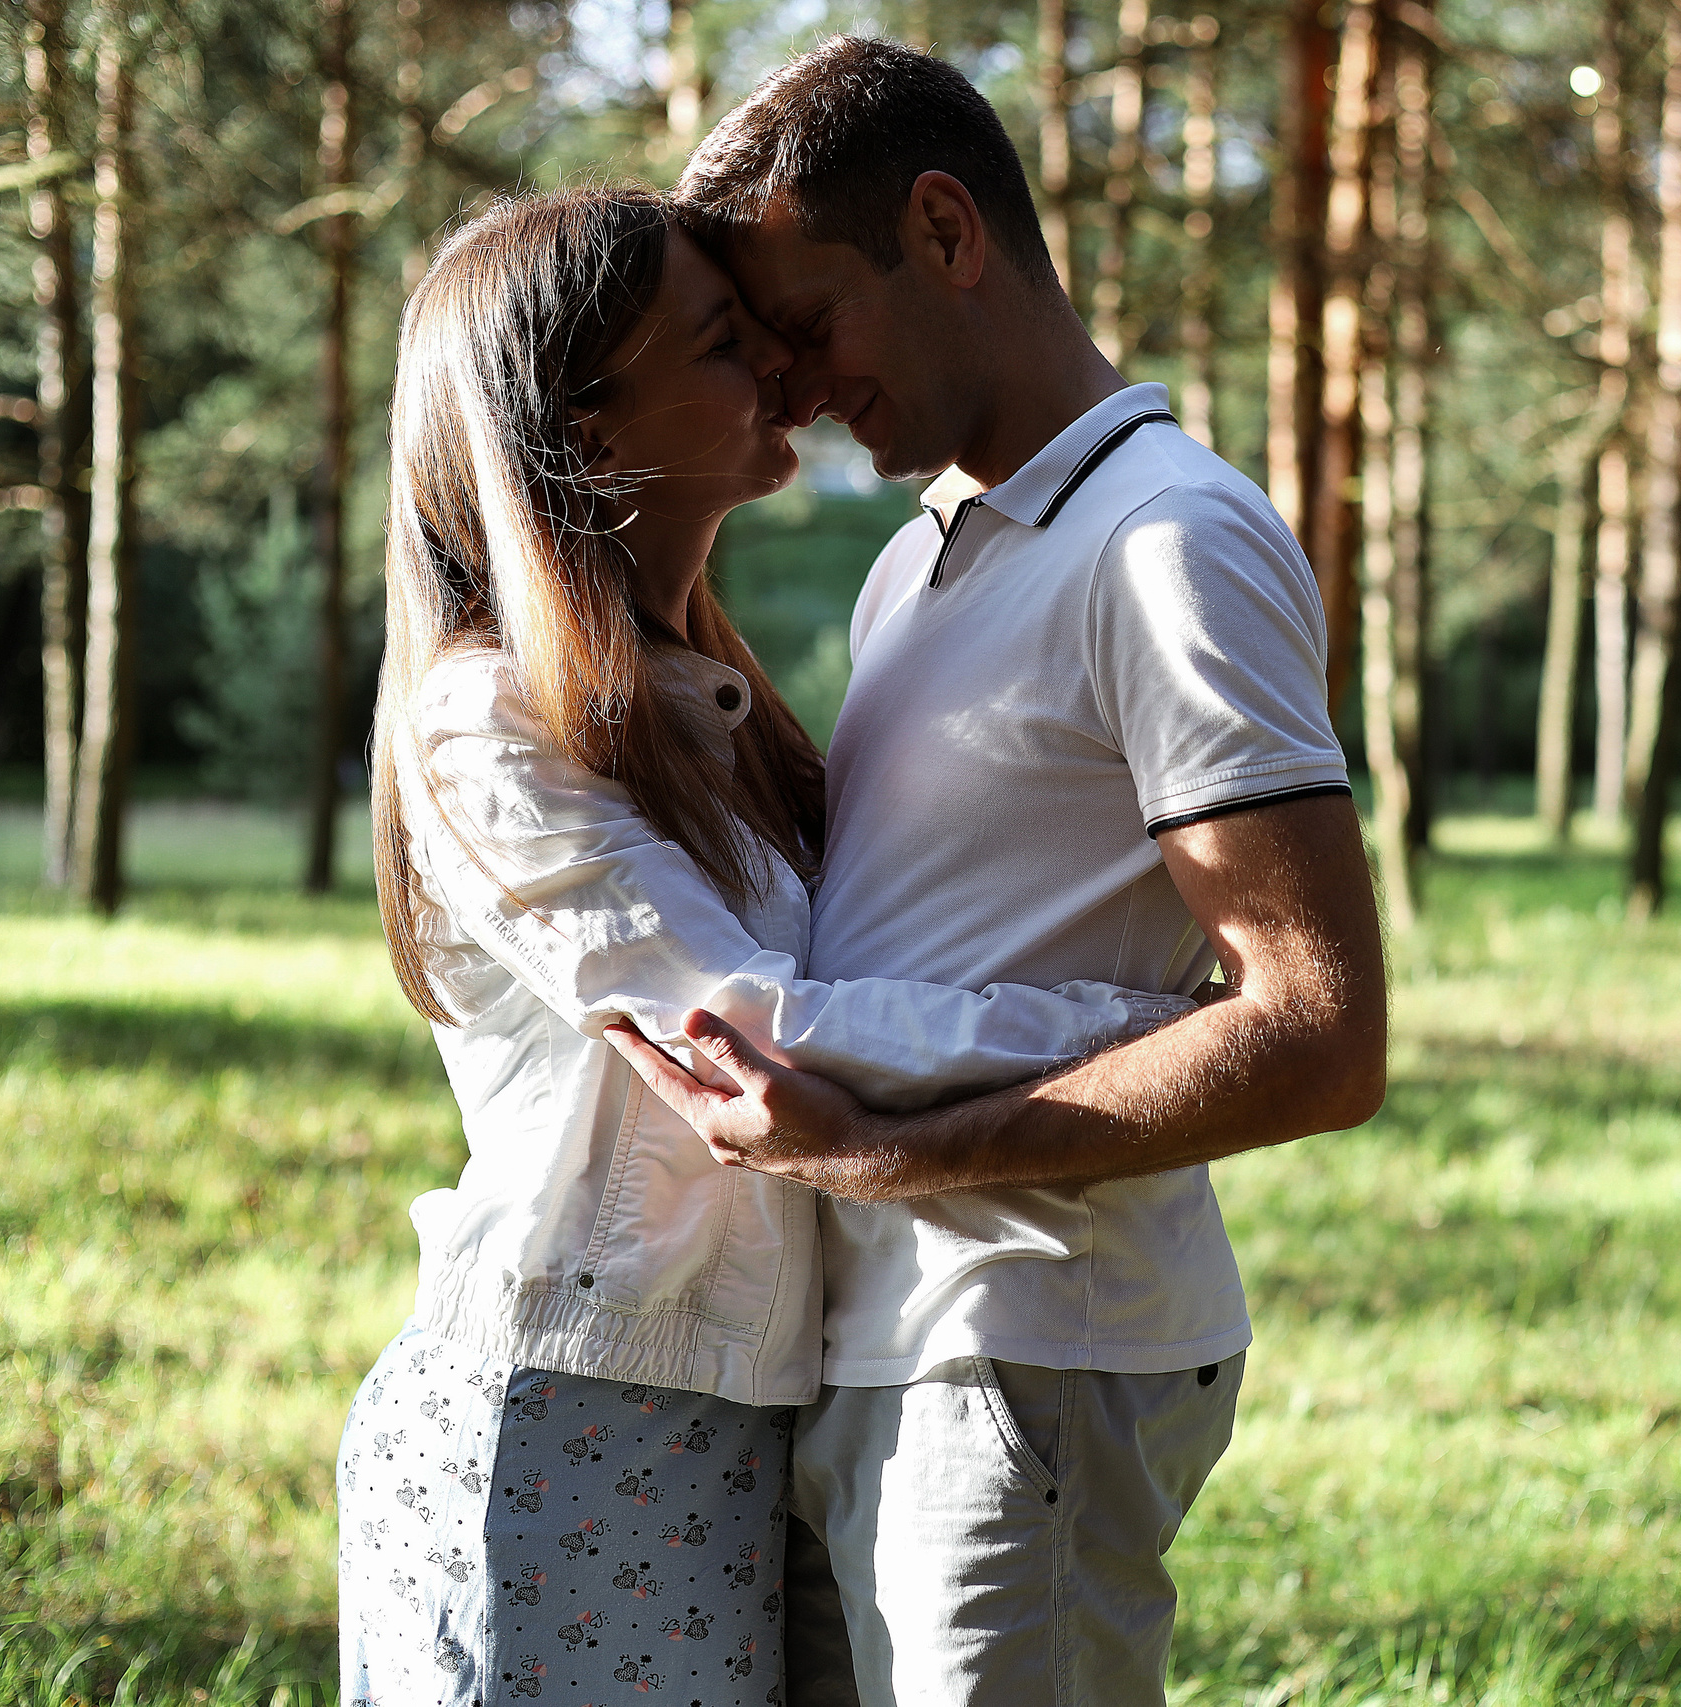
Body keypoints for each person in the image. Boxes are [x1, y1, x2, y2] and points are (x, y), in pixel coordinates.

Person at [339, 183, 1196, 1707]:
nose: (790, 377)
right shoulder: (486, 723)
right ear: (589, 433)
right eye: (728, 342)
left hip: (729, 1414)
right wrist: (1135, 1034)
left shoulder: (713, 716)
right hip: (566, 1413)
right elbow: (747, 1030)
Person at [613, 37, 1389, 1707]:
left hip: (1026, 1352)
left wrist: (895, 1160)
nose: (794, 396)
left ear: (948, 232)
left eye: (810, 325)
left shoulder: (1169, 544)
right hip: (880, 1344)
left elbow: (1321, 1032)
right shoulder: (919, 562)